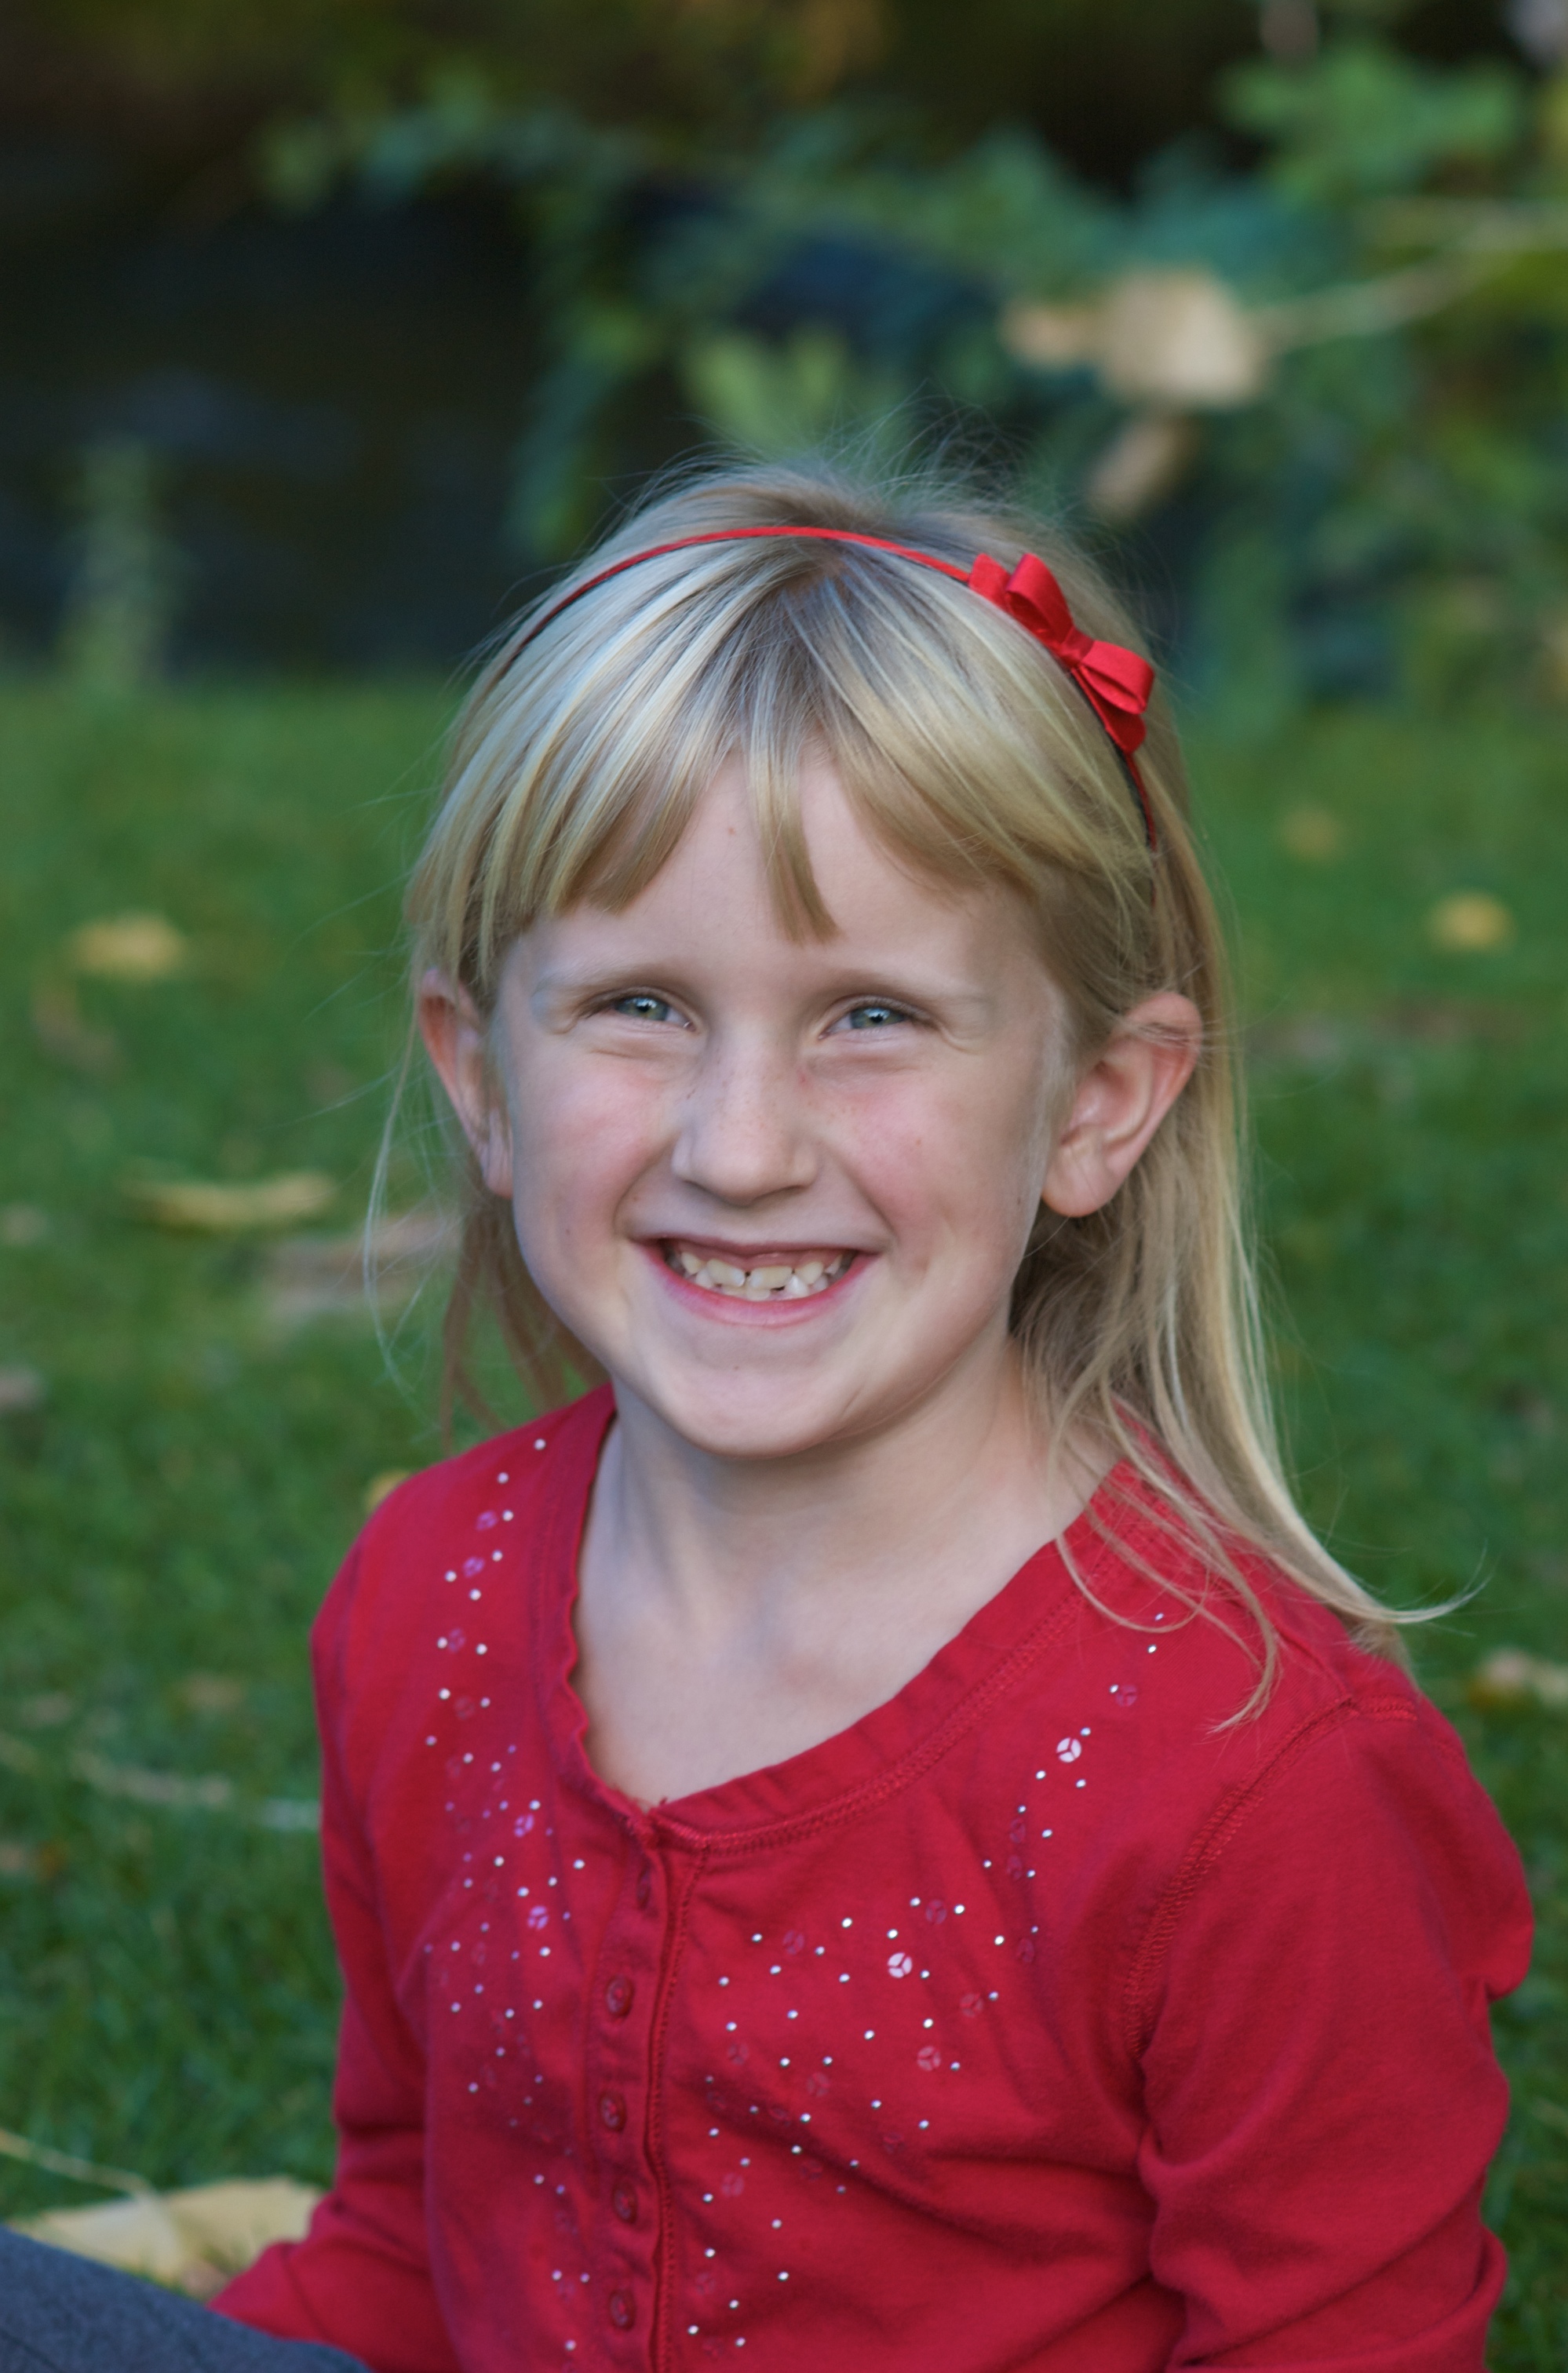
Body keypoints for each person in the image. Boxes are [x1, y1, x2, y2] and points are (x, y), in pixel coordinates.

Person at [0, 465, 1531, 2372]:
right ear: (479, 1074)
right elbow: (408, 2234)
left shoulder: (1252, 1777)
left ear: (1095, 1105)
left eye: (872, 1016)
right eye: (641, 1005)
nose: (741, 1148)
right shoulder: (433, 1595)